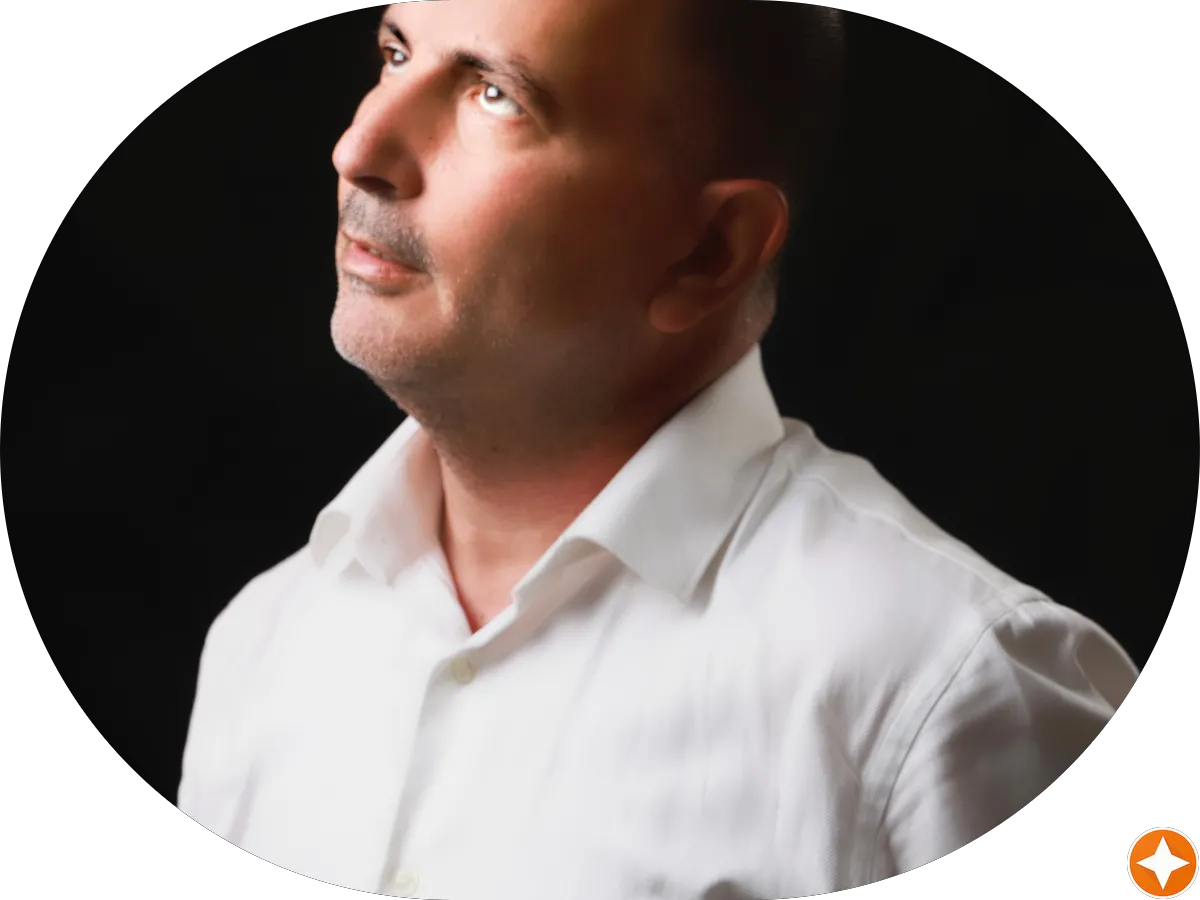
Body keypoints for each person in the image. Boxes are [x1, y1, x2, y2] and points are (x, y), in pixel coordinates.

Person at [177, 1, 1139, 897]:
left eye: (494, 94)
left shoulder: (945, 686)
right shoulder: (265, 644)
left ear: (709, 250)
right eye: (395, 52)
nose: (359, 148)